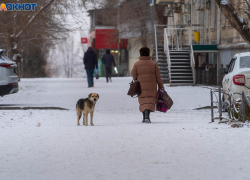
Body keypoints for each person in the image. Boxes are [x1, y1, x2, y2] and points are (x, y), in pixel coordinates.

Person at [131, 47, 164, 123]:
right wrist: (161, 86)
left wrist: (137, 77)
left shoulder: (137, 64)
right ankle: (147, 116)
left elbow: (133, 75)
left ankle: (144, 117)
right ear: (148, 53)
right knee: (150, 101)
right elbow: (158, 76)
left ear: (140, 53)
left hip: (141, 86)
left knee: (143, 101)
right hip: (152, 86)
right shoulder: (153, 64)